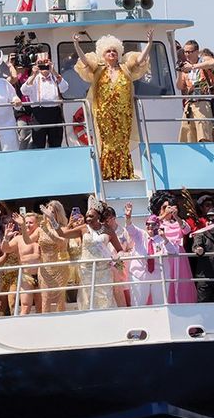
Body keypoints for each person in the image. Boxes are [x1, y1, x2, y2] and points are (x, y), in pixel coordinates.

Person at [72, 30, 153, 180]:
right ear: (103, 54)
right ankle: (107, 174)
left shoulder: (125, 68)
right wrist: (76, 45)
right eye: (108, 51)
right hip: (104, 114)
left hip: (123, 114)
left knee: (122, 143)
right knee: (107, 144)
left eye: (114, 51)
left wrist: (148, 44)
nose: (111, 53)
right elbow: (85, 62)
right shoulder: (98, 69)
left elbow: (139, 61)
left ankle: (124, 173)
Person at [56, 197, 123, 310]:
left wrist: (116, 258)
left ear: (98, 216)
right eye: (87, 216)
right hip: (86, 270)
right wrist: (52, 220)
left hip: (104, 271)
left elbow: (120, 249)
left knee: (105, 298)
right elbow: (62, 234)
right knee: (87, 299)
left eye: (91, 216)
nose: (88, 218)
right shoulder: (83, 229)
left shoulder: (108, 230)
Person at [122, 206, 171, 306]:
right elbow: (130, 229)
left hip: (159, 275)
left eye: (153, 224)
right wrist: (128, 217)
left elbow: (172, 251)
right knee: (138, 305)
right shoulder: (140, 235)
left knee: (160, 305)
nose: (150, 226)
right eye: (147, 224)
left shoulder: (162, 238)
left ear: (158, 225)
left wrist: (165, 239)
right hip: (139, 274)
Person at [20, 54, 70, 148]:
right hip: (39, 114)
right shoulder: (34, 78)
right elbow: (24, 91)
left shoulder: (55, 77)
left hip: (54, 113)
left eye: (46, 62)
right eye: (40, 63)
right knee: (38, 144)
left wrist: (54, 71)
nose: (44, 65)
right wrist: (33, 74)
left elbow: (65, 88)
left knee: (56, 143)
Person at [176, 40, 214, 142]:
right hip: (189, 105)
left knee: (204, 135)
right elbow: (180, 86)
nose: (187, 54)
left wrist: (193, 67)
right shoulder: (185, 66)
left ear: (197, 52)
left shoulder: (203, 61)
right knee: (187, 136)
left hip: (203, 103)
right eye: (185, 52)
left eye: (190, 52)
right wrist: (180, 71)